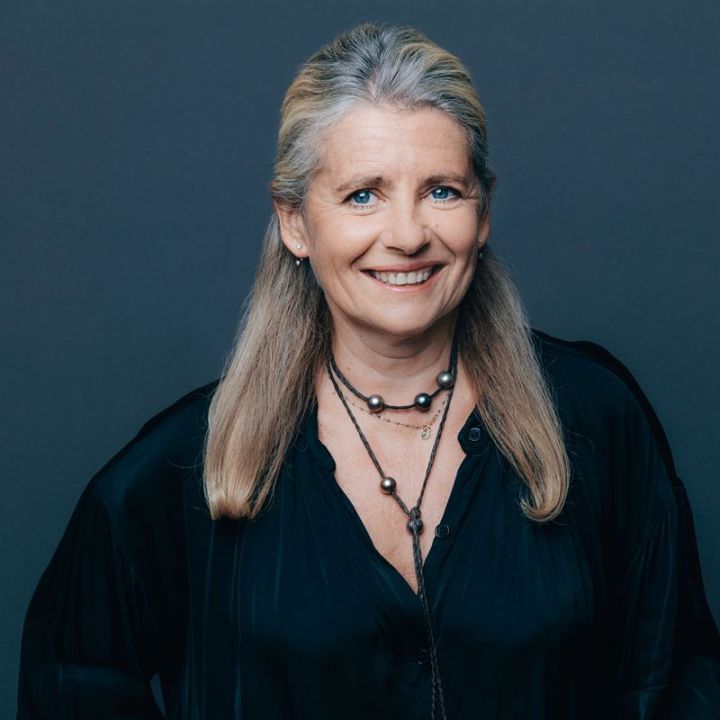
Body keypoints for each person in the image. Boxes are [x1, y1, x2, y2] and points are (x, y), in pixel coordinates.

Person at [17, 21, 720, 720]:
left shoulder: (595, 419)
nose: (408, 235)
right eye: (363, 194)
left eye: (442, 191)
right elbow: (71, 684)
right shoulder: (177, 472)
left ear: (483, 212)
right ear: (295, 222)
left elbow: (679, 678)